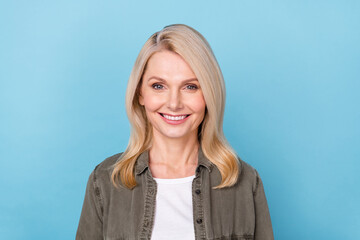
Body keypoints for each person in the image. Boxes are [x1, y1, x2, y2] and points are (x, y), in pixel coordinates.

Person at [76, 24, 274, 240]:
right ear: (140, 94)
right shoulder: (105, 181)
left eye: (190, 86)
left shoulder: (245, 181)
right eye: (158, 86)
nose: (174, 103)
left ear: (209, 95)